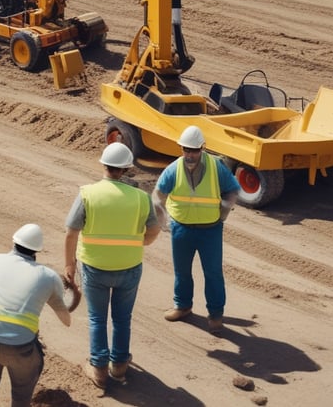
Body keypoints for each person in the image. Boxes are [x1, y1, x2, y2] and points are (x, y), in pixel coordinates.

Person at [64, 143, 163, 389]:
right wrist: (137, 244)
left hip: (95, 268)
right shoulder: (141, 198)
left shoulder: (87, 193)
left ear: (104, 165)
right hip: (129, 267)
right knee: (122, 318)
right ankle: (119, 366)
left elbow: (71, 233)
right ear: (127, 169)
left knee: (97, 318)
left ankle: (98, 369)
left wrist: (69, 265)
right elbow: (153, 230)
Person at [0, 223, 71, 407]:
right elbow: (65, 320)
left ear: (14, 242)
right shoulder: (49, 276)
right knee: (21, 397)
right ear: (37, 251)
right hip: (21, 349)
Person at [152, 125, 240, 334]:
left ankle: (216, 315)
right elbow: (158, 196)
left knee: (213, 273)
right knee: (181, 272)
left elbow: (232, 190)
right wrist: (161, 219)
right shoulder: (173, 169)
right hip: (181, 229)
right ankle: (182, 306)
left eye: (193, 150)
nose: (189, 155)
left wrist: (223, 213)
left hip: (210, 230)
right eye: (185, 150)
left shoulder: (216, 167)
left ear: (202, 148)